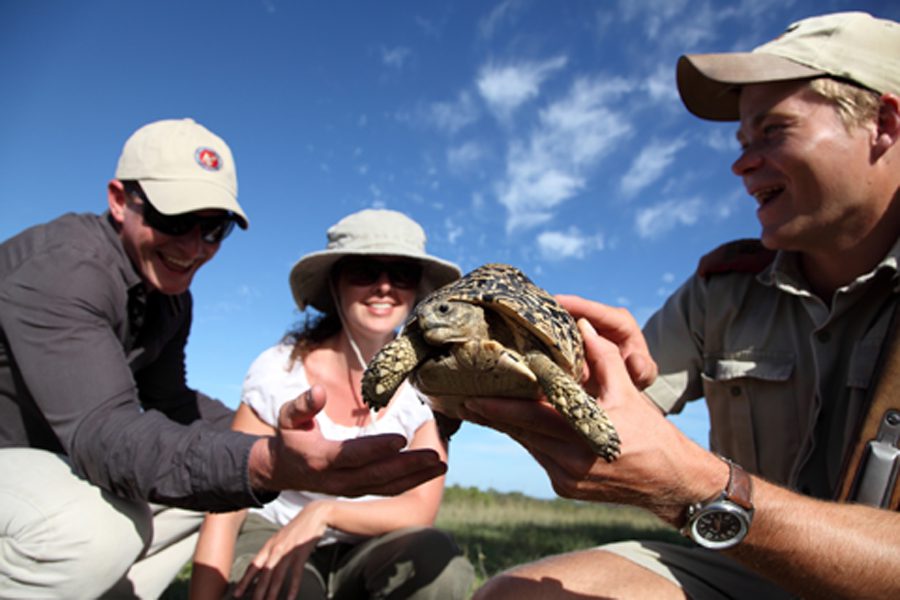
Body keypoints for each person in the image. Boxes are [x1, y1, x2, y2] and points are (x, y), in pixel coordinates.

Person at [463, 11, 900, 600]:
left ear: (884, 124)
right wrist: (549, 371)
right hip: (753, 569)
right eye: (744, 141)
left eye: (774, 131)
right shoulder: (723, 290)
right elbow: (618, 405)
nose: (741, 164)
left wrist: (698, 485)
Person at [0, 120, 447, 599]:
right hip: (21, 458)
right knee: (97, 529)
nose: (193, 248)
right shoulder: (66, 268)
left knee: (208, 487)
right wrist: (262, 460)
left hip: (58, 459)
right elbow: (104, 434)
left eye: (214, 228)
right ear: (118, 200)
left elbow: (169, 402)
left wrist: (258, 430)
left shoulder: (168, 296)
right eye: (173, 220)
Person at [189, 208, 474, 599]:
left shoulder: (430, 382)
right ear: (335, 283)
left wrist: (323, 513)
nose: (384, 287)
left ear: (417, 290)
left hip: (371, 542)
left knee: (437, 563)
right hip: (276, 531)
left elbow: (420, 507)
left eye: (402, 274)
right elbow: (227, 499)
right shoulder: (279, 369)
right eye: (365, 271)